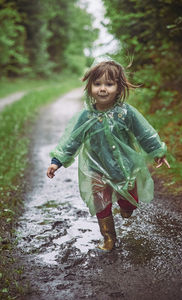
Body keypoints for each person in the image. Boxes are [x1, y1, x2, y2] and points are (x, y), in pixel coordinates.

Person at [47, 56, 170, 251]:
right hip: (96, 171)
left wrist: (157, 151)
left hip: (125, 169)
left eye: (109, 84)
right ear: (90, 88)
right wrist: (57, 161)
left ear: (119, 88)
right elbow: (72, 140)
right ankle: (108, 238)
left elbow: (144, 133)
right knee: (101, 205)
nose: (102, 88)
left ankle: (127, 207)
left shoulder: (125, 113)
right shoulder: (86, 117)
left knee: (129, 203)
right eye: (97, 84)